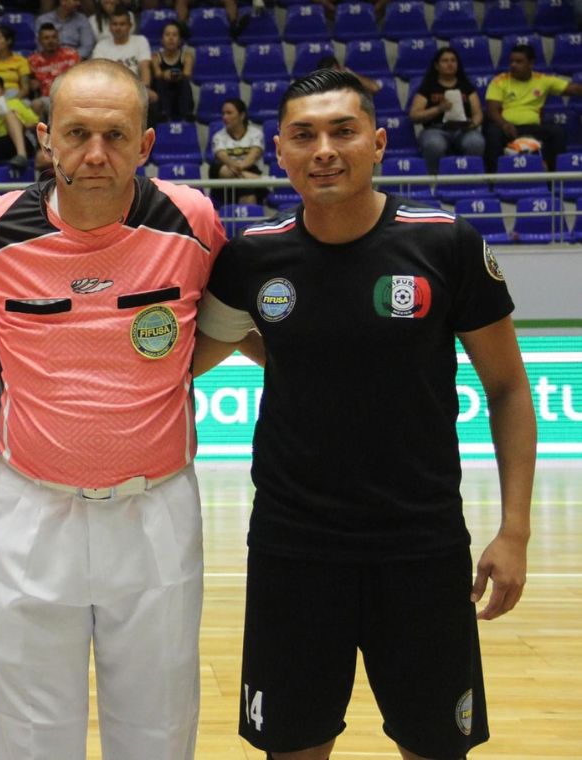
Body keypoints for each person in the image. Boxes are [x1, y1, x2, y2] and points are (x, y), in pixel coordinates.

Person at [196, 68, 535, 760]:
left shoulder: (447, 244)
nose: (324, 148)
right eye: (304, 135)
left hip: (422, 544)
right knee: (292, 746)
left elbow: (507, 387)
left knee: (437, 746)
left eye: (343, 131)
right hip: (294, 547)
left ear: (378, 143)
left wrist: (516, 533)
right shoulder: (252, 258)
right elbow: (207, 351)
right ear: (281, 154)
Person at [0, 58, 228, 760]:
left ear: (146, 145)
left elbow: (221, 323)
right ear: (45, 139)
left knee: (159, 723)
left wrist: (162, 378)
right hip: (32, 510)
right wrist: (23, 382)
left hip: (157, 507)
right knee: (33, 729)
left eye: (115, 135)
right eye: (76, 134)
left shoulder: (192, 221)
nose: (95, 154)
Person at [484, 43, 582, 171]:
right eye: (511, 61)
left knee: (557, 132)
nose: (513, 65)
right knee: (493, 134)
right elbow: (492, 111)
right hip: (506, 128)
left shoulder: (543, 80)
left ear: (531, 63)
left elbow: (574, 89)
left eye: (519, 61)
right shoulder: (499, 81)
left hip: (533, 127)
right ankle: (494, 179)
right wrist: (504, 125)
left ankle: (556, 178)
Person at [408, 47, 485, 175]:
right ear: (437, 66)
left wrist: (474, 124)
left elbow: (478, 113)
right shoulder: (428, 87)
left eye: (453, 60)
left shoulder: (466, 86)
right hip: (435, 129)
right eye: (445, 61)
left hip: (463, 129)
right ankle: (434, 182)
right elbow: (414, 115)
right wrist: (438, 109)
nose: (450, 64)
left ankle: (471, 181)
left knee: (476, 142)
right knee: (434, 145)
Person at [91, 7, 157, 111]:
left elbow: (145, 67)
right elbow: (99, 74)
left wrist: (145, 89)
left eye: (122, 24)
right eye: (115, 24)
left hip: (136, 89)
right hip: (109, 91)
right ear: (110, 27)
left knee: (150, 99)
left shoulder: (140, 41)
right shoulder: (101, 46)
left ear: (130, 26)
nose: (118, 28)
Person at [210, 97, 264, 205]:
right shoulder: (218, 136)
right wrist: (253, 177)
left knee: (246, 187)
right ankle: (259, 179)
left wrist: (239, 168)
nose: (225, 117)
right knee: (219, 168)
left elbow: (254, 155)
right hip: (225, 183)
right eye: (223, 113)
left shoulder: (256, 134)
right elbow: (222, 156)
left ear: (242, 115)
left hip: (249, 170)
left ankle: (252, 178)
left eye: (229, 113)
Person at [27, 22, 79, 124]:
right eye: (46, 38)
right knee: (36, 104)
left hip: (69, 97)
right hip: (47, 99)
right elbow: (31, 86)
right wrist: (32, 84)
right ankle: (42, 137)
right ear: (39, 41)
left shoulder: (71, 55)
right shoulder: (33, 61)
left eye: (53, 37)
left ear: (58, 38)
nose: (50, 41)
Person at [150, 20, 195, 122]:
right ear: (162, 39)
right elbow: (157, 74)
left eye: (174, 35)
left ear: (179, 40)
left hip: (180, 94)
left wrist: (175, 75)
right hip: (163, 94)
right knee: (160, 81)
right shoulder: (155, 57)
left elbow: (187, 74)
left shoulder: (187, 56)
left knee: (184, 82)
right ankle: (163, 113)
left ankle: (186, 113)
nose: (171, 38)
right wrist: (164, 74)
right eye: (167, 35)